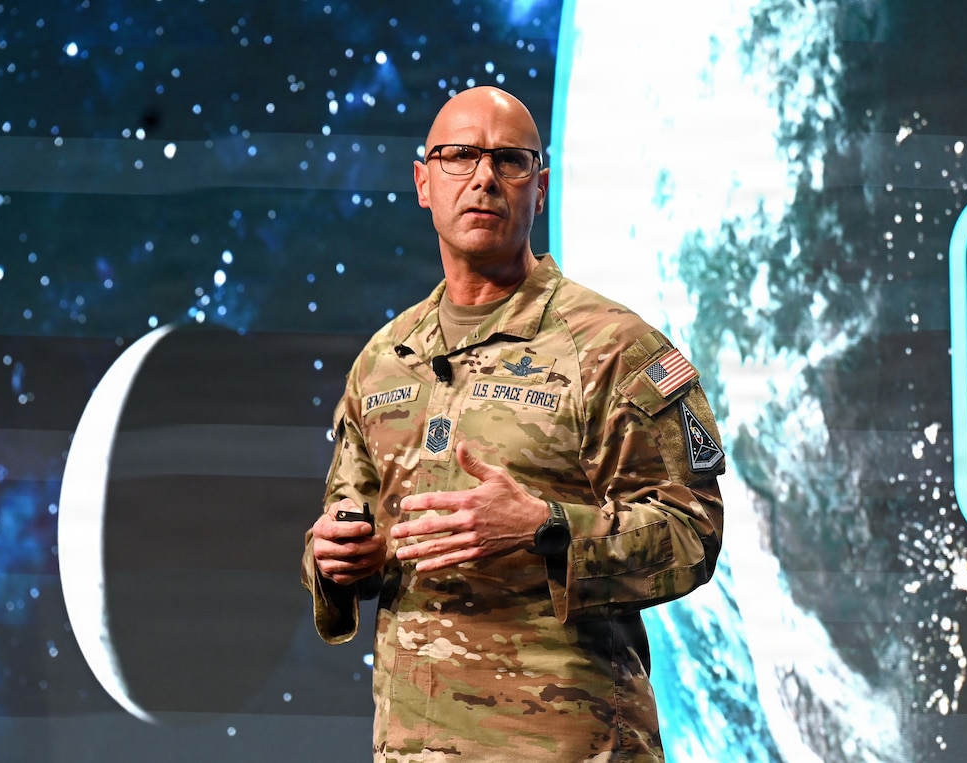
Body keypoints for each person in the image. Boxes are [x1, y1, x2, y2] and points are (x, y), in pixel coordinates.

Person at [302, 86, 725, 762]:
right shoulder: (383, 362)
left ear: (541, 187)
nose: (484, 178)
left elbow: (692, 533)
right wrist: (335, 560)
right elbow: (345, 526)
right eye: (459, 156)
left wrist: (545, 527)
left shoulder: (614, 349)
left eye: (510, 160)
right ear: (422, 181)